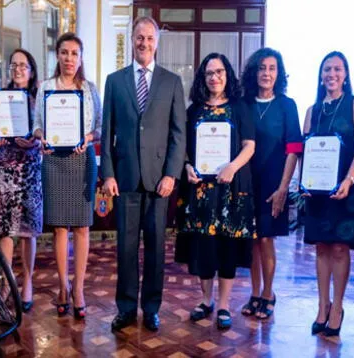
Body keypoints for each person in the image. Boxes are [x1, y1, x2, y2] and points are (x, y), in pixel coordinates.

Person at [101, 16, 186, 332]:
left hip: (159, 182)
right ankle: (125, 308)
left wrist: (171, 175)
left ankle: (151, 308)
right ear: (132, 39)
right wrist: (108, 174)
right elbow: (107, 130)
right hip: (124, 180)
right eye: (139, 38)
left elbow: (179, 134)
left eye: (150, 38)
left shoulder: (171, 82)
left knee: (155, 248)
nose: (144, 43)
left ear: (156, 43)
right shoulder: (115, 81)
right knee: (124, 248)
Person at [176, 53, 255, 330]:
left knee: (227, 247)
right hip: (201, 191)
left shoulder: (240, 107)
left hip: (231, 188)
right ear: (202, 78)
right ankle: (206, 299)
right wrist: (186, 166)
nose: (214, 77)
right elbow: (183, 146)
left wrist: (232, 167)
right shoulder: (193, 110)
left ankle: (223, 304)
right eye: (209, 73)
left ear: (227, 74)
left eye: (219, 72)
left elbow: (249, 145)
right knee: (204, 246)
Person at [302, 51, 354, 337]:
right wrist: (303, 182)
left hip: (347, 187)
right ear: (321, 75)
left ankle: (338, 307)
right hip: (317, 191)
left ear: (346, 74)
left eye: (338, 69)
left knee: (340, 248)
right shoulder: (312, 110)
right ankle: (322, 305)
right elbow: (305, 149)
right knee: (321, 248)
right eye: (327, 69)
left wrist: (350, 178)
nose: (332, 74)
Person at [33, 33, 101, 319]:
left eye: (74, 53)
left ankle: (79, 290)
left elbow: (99, 127)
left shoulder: (90, 88)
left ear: (81, 58)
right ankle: (62, 286)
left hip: (82, 160)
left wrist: (87, 137)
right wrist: (41, 138)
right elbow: (37, 125)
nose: (69, 59)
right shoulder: (45, 87)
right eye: (64, 53)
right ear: (57, 56)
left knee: (82, 228)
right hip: (54, 162)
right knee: (60, 228)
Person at [239, 48, 302, 319]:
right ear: (254, 72)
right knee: (251, 239)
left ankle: (268, 293)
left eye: (272, 68)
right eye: (262, 68)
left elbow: (294, 148)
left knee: (266, 239)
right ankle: (254, 293)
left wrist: (283, 188)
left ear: (279, 73)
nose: (267, 73)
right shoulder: (244, 104)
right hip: (246, 182)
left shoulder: (287, 105)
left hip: (275, 183)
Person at [0, 49, 42, 312]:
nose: (18, 69)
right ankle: (6, 284)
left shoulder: (39, 98)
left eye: (23, 65)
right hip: (5, 168)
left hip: (29, 169)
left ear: (31, 70)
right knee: (6, 230)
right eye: (13, 65)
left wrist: (36, 139)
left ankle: (27, 283)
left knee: (28, 231)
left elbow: (47, 132)